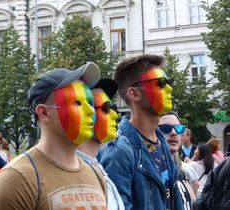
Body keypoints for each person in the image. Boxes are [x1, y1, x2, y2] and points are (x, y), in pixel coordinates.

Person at [0, 62, 108, 210]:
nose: (90, 111)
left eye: (90, 102)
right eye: (77, 103)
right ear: (44, 113)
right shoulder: (16, 179)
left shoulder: (96, 174)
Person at [97, 55, 183, 210]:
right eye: (161, 84)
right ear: (134, 93)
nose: (169, 88)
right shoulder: (119, 151)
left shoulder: (161, 142)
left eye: (169, 82)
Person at [77, 78, 125, 210]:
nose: (115, 115)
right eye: (106, 108)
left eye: (114, 108)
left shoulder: (95, 166)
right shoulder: (74, 173)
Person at [159, 111, 199, 209]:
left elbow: (193, 203)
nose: (173, 133)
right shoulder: (151, 171)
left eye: (178, 128)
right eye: (166, 128)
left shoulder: (180, 170)